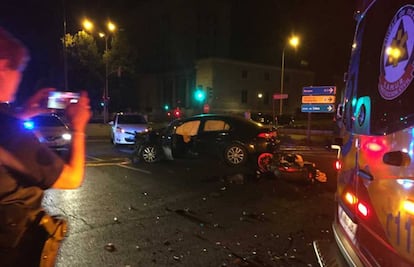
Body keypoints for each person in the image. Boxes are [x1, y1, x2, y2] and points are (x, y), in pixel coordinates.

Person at [0, 27, 91, 266]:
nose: (19, 77)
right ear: (2, 67)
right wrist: (79, 127)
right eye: (17, 69)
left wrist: (25, 112)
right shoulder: (10, 133)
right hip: (13, 252)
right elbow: (72, 178)